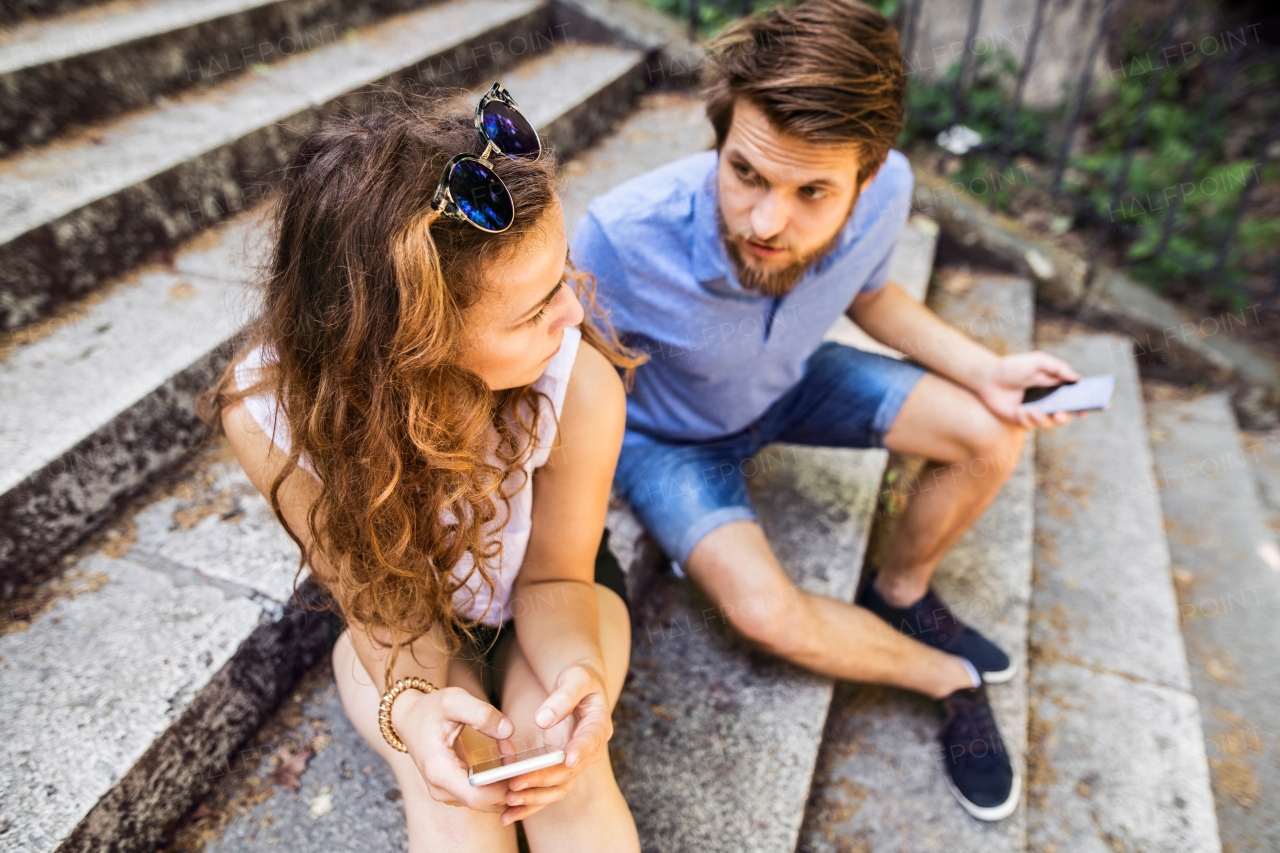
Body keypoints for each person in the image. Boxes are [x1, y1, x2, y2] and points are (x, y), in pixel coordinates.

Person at [570, 0, 1085, 822]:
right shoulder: (620, 239)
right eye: (746, 173)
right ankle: (949, 678)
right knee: (762, 612)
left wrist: (987, 370)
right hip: (671, 437)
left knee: (993, 433)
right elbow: (570, 381)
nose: (769, 222)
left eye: (813, 190)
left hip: (792, 378)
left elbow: (875, 294)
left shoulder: (891, 192)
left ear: (867, 176)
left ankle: (902, 590)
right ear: (723, 136)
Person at [199, 86, 645, 851]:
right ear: (414, 344)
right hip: (401, 627)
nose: (573, 313)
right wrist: (410, 704)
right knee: (458, 794)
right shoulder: (268, 413)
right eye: (534, 308)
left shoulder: (577, 382)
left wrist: (581, 678)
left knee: (571, 784)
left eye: (562, 274)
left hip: (557, 599)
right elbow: (379, 607)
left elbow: (559, 575)